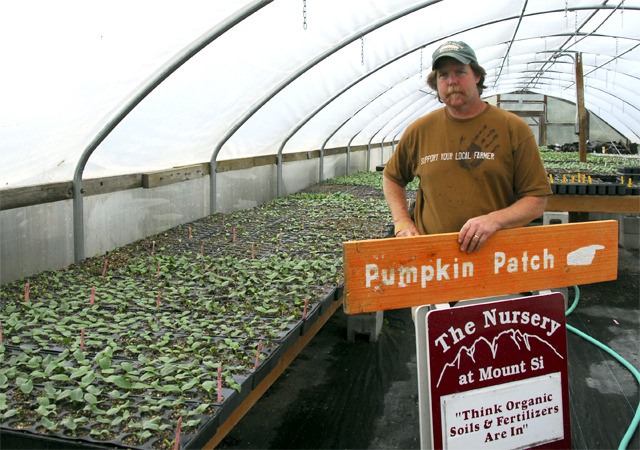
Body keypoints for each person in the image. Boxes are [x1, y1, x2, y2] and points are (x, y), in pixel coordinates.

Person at [383, 41, 552, 253]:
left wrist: (494, 220)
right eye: (443, 75)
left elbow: (536, 200)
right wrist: (402, 222)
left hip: (497, 257)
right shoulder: (420, 130)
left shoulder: (512, 128)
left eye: (460, 72)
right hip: (433, 258)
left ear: (477, 76)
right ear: (436, 82)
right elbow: (392, 178)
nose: (452, 81)